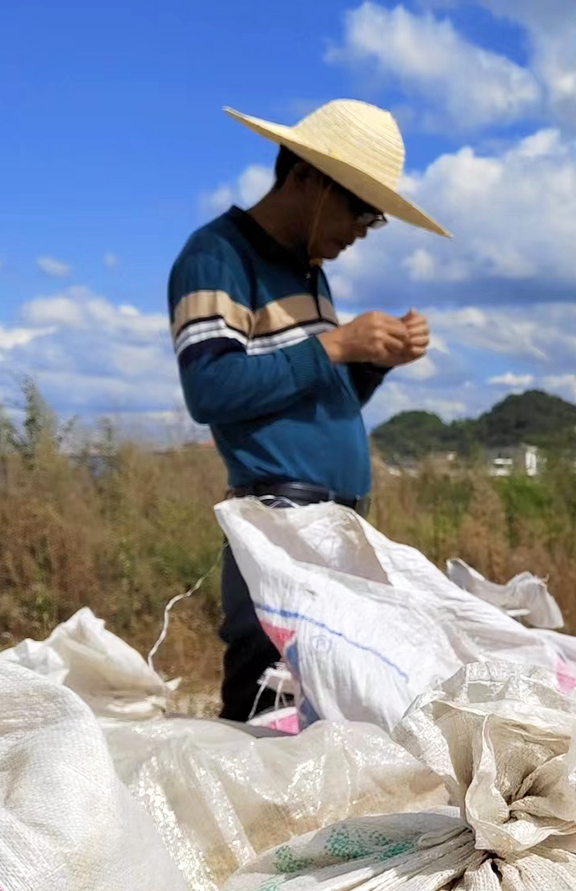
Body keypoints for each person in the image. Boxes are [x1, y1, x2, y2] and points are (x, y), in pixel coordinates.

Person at [168, 99, 451, 721]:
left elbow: (313, 403)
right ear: (307, 181)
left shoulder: (309, 275)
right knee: (270, 695)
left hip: (331, 518)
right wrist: (336, 343)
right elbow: (211, 388)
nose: (360, 230)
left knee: (326, 707)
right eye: (360, 211)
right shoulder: (217, 256)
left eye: (373, 221)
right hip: (280, 516)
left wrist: (370, 363)